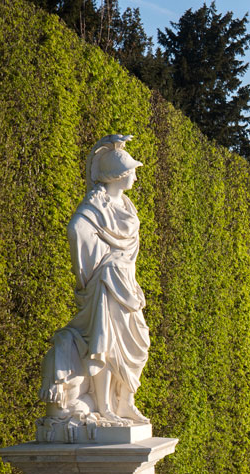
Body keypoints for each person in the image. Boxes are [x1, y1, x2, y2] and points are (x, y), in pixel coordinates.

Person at [39, 134, 150, 428]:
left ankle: (124, 401)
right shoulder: (95, 205)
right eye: (132, 172)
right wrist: (95, 266)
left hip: (126, 283)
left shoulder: (126, 205)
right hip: (105, 284)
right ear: (118, 176)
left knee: (137, 343)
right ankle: (104, 407)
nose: (136, 177)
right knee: (105, 345)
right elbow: (76, 228)